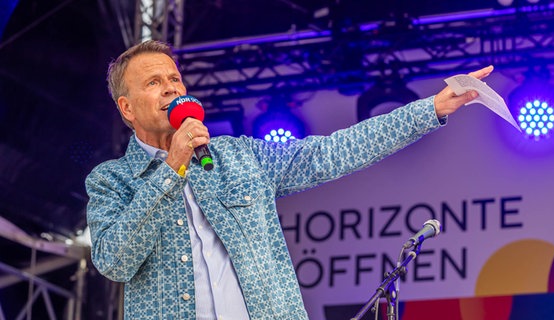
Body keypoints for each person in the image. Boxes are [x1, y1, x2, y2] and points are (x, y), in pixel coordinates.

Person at [85, 39, 493, 320]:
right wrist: (172, 168)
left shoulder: (241, 155)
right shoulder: (111, 182)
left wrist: (430, 109)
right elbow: (114, 262)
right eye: (154, 83)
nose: (171, 90)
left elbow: (335, 151)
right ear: (127, 109)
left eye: (175, 79)